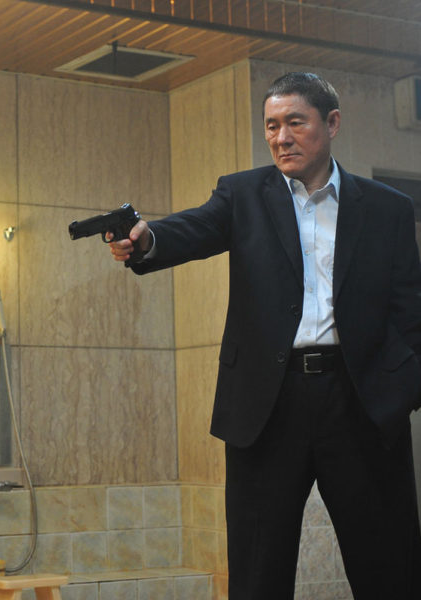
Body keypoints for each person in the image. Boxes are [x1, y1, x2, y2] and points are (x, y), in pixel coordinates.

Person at [108, 72, 421, 599]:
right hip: (267, 405)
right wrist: (146, 240)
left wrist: (404, 388)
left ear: (332, 123)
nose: (281, 137)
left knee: (389, 569)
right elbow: (193, 229)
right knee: (258, 574)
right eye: (272, 126)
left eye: (295, 122)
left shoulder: (388, 207)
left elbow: (409, 309)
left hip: (361, 402)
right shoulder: (243, 194)